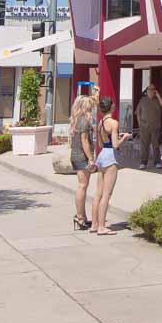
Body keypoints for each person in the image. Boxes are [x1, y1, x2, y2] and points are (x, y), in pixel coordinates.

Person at [91, 96, 130, 235]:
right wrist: (124, 138)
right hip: (110, 157)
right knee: (107, 194)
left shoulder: (101, 122)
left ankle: (94, 224)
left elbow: (101, 143)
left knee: (98, 194)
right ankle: (102, 226)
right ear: (111, 107)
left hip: (101, 155)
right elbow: (115, 145)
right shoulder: (113, 123)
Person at [69, 94, 96, 230]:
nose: (92, 109)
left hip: (75, 154)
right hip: (81, 156)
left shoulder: (76, 119)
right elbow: (84, 141)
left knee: (82, 186)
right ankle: (80, 217)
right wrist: (91, 158)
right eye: (90, 107)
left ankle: (82, 217)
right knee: (82, 186)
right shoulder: (84, 121)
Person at [136, 83, 162, 170]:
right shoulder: (142, 100)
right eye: (149, 90)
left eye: (153, 90)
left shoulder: (158, 99)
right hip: (144, 126)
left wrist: (158, 95)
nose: (151, 91)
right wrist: (139, 124)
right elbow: (138, 113)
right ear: (147, 91)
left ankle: (157, 162)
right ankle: (143, 162)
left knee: (156, 145)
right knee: (144, 145)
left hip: (155, 126)